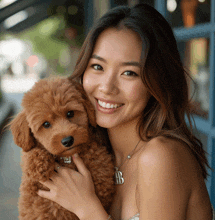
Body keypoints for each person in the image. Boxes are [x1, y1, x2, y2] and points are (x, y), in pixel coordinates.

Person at [37, 3, 215, 220]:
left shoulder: (160, 156)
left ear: (156, 81)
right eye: (97, 67)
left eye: (129, 72)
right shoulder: (97, 153)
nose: (106, 87)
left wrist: (87, 208)